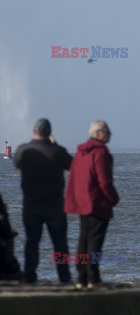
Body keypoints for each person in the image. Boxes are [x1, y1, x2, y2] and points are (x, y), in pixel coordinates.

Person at [13, 118, 72, 284]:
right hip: (55, 206)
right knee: (60, 243)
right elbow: (72, 164)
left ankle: (30, 276)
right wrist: (54, 145)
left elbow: (16, 163)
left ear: (34, 132)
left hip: (31, 205)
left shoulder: (23, 150)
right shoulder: (58, 151)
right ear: (49, 133)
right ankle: (64, 277)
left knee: (32, 242)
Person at [64, 120, 119, 289]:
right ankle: (93, 278)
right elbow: (105, 182)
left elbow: (75, 178)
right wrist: (114, 199)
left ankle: (81, 277)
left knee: (83, 241)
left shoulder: (81, 152)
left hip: (82, 204)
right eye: (107, 131)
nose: (110, 134)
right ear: (98, 133)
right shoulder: (100, 153)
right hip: (97, 204)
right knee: (94, 244)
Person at [0, 193, 21, 280]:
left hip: (32, 210)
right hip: (56, 209)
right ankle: (64, 274)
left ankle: (31, 274)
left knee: (32, 244)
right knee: (60, 243)